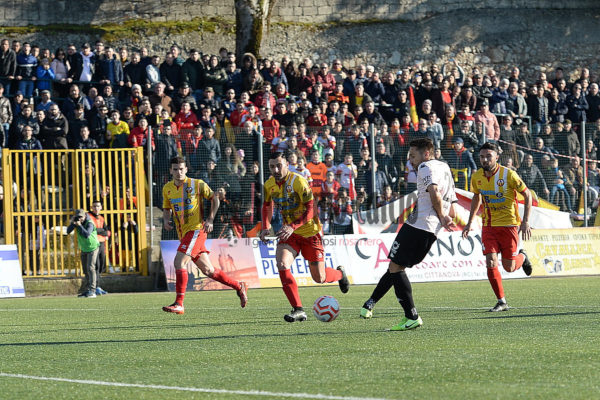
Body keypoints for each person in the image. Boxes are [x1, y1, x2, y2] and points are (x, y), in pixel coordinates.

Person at [359, 138, 457, 331]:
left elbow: (434, 192)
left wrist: (441, 216)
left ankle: (411, 316)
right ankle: (371, 304)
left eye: (412, 156)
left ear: (426, 154)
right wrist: (445, 218)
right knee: (396, 265)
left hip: (419, 225)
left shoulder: (425, 167)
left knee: (396, 267)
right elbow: (453, 203)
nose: (410, 160)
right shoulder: (445, 167)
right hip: (430, 229)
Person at [259, 152, 350, 322]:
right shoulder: (269, 184)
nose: (276, 170)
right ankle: (298, 309)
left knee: (319, 278)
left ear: (287, 165)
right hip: (289, 234)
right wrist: (265, 226)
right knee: (282, 264)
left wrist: (293, 226)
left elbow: (311, 209)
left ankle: (339, 274)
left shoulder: (298, 181)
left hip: (310, 233)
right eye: (272, 166)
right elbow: (267, 206)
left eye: (279, 165)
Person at [162, 156, 248, 314]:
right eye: (175, 169)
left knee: (179, 262)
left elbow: (215, 198)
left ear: (186, 169)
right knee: (208, 270)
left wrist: (210, 219)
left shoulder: (197, 184)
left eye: (181, 169)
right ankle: (239, 286)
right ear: (170, 171)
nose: (179, 172)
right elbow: (167, 208)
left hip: (196, 230)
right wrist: (166, 220)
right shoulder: (167, 188)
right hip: (184, 234)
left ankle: (179, 303)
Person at [462, 142, 533, 312]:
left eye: (488, 156)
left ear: (497, 157)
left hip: (509, 225)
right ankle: (501, 301)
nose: (485, 160)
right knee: (490, 261)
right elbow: (476, 197)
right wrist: (470, 222)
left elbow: (527, 194)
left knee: (509, 267)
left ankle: (522, 257)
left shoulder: (509, 175)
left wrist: (525, 221)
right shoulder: (477, 177)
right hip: (489, 225)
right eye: (482, 157)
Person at [67, 209, 100, 298]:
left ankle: (93, 290)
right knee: (85, 270)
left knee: (91, 268)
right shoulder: (77, 222)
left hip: (93, 247)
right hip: (84, 248)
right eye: (78, 217)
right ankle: (88, 289)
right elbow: (68, 231)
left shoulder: (90, 223)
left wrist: (80, 225)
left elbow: (87, 234)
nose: (80, 219)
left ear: (85, 216)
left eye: (81, 217)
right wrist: (72, 224)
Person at [88, 200, 110, 295]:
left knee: (101, 265)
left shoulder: (101, 218)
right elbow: (92, 230)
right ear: (91, 207)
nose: (96, 208)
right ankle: (95, 286)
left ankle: (98, 286)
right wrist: (102, 231)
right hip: (94, 243)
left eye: (98, 206)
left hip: (102, 243)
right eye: (94, 206)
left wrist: (102, 231)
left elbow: (107, 231)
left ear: (101, 207)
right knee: (95, 265)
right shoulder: (89, 217)